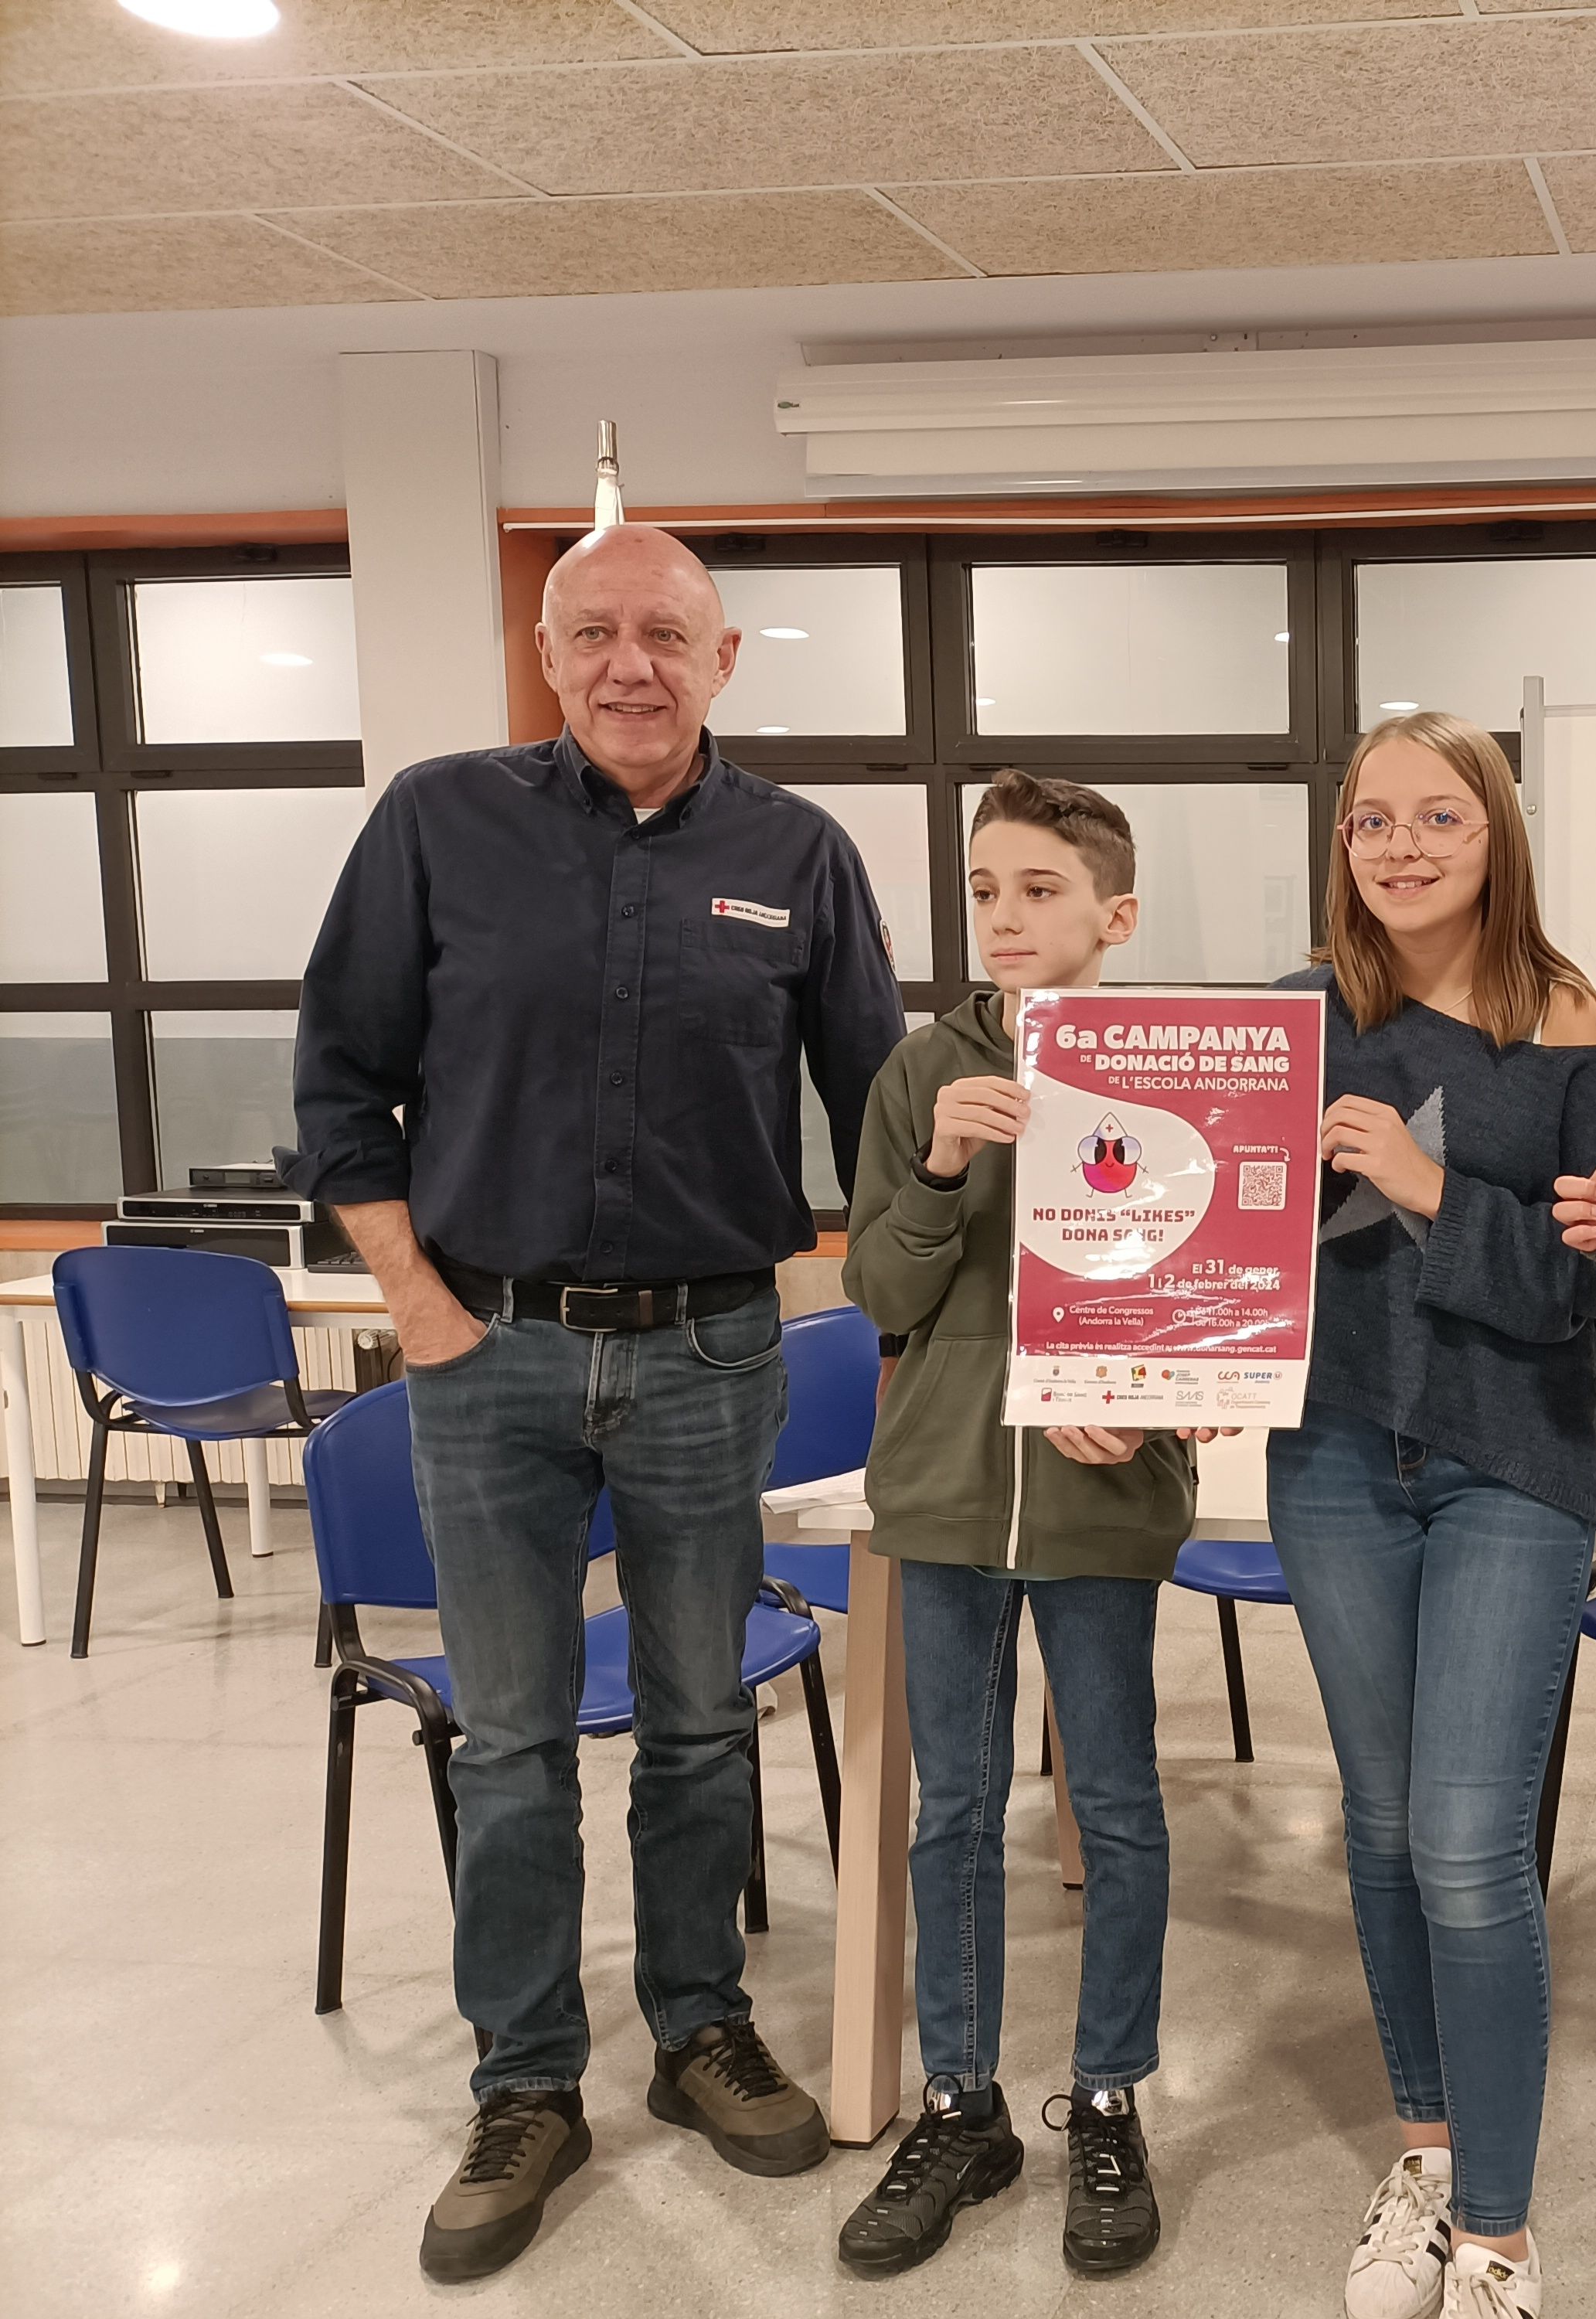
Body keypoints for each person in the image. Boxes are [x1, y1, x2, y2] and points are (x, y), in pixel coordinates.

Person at [288, 523, 907, 2281]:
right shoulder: (435, 819)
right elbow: (341, 1074)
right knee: (510, 1741)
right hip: (486, 1353)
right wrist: (415, 1302)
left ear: (726, 662)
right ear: (549, 656)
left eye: (668, 636)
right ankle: (529, 2082)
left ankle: (701, 2026)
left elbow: (882, 1111)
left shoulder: (797, 852)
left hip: (719, 1353)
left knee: (705, 1722)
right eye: (596, 634)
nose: (632, 665)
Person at [1262, 710, 1596, 2319]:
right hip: (1336, 1459)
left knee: (1472, 1851)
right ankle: (1421, 2148)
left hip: (1515, 1464)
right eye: (1371, 822)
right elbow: (1205, 1250)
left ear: (1496, 834)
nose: (1402, 846)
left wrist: (1428, 1195)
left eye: (1439, 817)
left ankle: (1496, 2225)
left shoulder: (1567, 1024)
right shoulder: (1293, 1019)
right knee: (1384, 1824)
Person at [833, 772, 1221, 2282]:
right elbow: (881, 1295)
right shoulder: (918, 1073)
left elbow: (1214, 1292)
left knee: (1114, 1809)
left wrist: (1148, 1392)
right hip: (939, 1493)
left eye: (1043, 889)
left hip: (1099, 1500)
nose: (1007, 914)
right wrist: (940, 1166)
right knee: (950, 1813)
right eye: (985, 887)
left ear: (1113, 916)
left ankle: (1108, 2097)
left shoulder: (1183, 1071)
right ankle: (961, 2102)